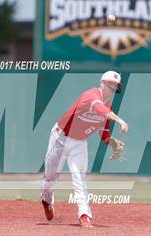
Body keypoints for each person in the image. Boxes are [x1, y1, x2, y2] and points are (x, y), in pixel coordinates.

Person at [41, 71, 128, 227]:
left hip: (79, 143)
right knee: (50, 177)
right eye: (110, 84)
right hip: (60, 137)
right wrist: (118, 119)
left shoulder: (108, 106)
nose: (113, 88)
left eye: (115, 86)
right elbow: (98, 107)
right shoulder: (91, 95)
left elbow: (104, 132)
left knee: (79, 177)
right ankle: (47, 199)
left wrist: (112, 142)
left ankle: (84, 215)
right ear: (102, 83)